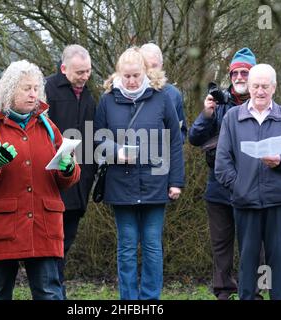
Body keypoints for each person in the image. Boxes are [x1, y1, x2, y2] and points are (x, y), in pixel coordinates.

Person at [0, 60, 81, 300]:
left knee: (49, 294)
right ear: (10, 90)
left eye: (36, 88)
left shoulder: (47, 126)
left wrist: (68, 169)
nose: (33, 94)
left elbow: (69, 176)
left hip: (42, 226)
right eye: (26, 88)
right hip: (0, 228)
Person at [93, 47, 185, 300]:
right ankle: (129, 300)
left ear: (145, 72)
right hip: (120, 184)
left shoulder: (161, 98)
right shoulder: (107, 100)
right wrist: (116, 151)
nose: (131, 81)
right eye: (127, 76)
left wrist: (176, 181)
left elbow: (175, 142)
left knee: (153, 246)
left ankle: (150, 299)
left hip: (156, 183)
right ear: (118, 74)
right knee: (126, 247)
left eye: (136, 75)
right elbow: (97, 138)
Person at [214, 64, 281, 300]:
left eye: (265, 86)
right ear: (248, 86)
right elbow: (222, 163)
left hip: (278, 200)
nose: (259, 91)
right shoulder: (232, 118)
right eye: (255, 86)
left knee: (276, 259)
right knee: (247, 259)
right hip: (244, 201)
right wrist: (239, 186)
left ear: (274, 88)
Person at [188, 48, 257, 300]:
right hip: (218, 186)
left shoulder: (261, 102)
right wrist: (206, 114)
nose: (239, 77)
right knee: (221, 244)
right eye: (235, 73)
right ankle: (223, 292)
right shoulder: (218, 102)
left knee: (253, 244)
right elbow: (194, 138)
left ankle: (254, 292)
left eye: (245, 72)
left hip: (252, 187)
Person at [44, 44, 96, 298]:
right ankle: (54, 292)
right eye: (79, 72)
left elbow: (93, 136)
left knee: (65, 243)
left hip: (80, 183)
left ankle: (56, 289)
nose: (84, 77)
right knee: (51, 245)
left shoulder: (89, 95)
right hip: (53, 182)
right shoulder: (47, 90)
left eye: (87, 71)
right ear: (64, 69)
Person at [140, 43, 187, 142]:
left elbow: (181, 133)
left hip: (163, 154)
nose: (150, 70)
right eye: (146, 66)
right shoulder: (128, 92)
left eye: (154, 65)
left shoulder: (173, 94)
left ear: (161, 66)